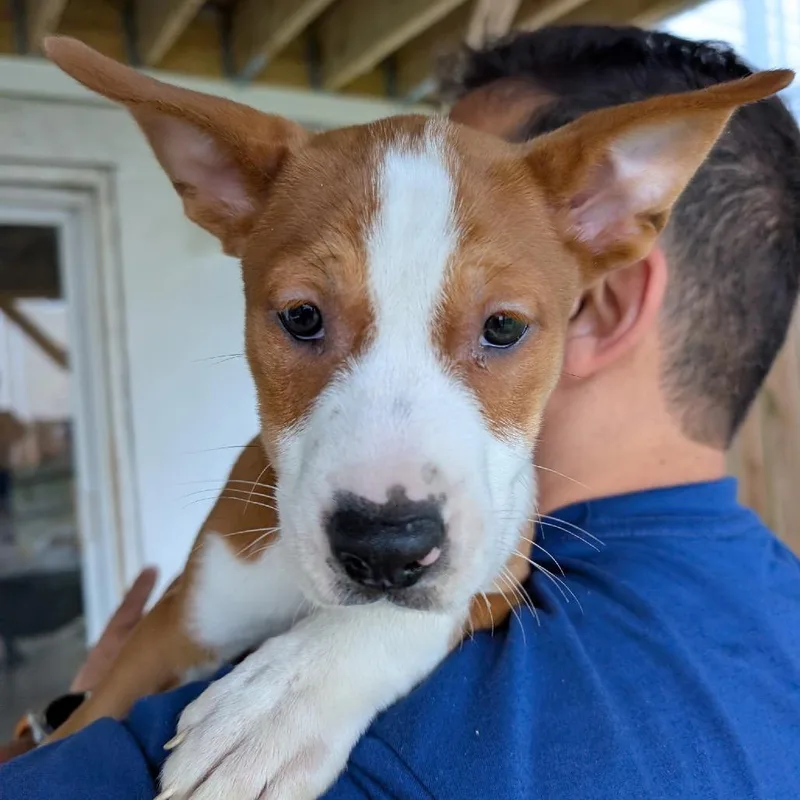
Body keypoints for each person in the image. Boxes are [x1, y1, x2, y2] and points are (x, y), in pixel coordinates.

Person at [2, 25, 800, 799]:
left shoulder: (411, 761)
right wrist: (66, 723)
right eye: (305, 320)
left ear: (601, 294)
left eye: (499, 329)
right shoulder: (774, 602)